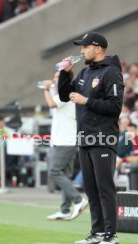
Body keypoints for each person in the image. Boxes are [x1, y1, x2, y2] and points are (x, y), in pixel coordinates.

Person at [58, 32, 124, 244]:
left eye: (85, 47)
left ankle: (110, 235)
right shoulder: (85, 72)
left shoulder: (111, 73)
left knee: (105, 188)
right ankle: (96, 232)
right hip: (85, 137)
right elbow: (64, 95)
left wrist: (87, 101)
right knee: (91, 189)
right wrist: (66, 73)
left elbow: (115, 106)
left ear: (98, 48)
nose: (81, 50)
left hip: (103, 138)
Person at [42, 72, 88, 221]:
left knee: (54, 172)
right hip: (67, 141)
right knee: (65, 175)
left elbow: (51, 104)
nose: (55, 78)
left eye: (57, 76)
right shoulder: (67, 92)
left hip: (64, 142)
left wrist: (45, 89)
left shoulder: (66, 93)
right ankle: (65, 209)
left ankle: (78, 200)